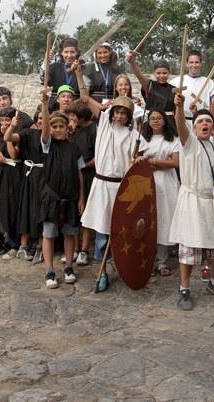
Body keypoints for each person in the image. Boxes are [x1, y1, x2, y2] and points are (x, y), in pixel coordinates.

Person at [169, 92, 214, 310]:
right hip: (192, 202)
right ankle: (184, 289)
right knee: (190, 248)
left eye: (209, 121)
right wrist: (179, 108)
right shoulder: (188, 143)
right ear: (195, 126)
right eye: (200, 121)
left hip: (213, 201)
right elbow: (181, 126)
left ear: (213, 126)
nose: (205, 124)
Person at [74, 63, 138, 284]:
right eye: (117, 112)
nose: (119, 116)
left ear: (129, 116)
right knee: (102, 230)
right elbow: (84, 97)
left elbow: (138, 161)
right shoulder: (103, 124)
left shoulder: (134, 134)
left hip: (121, 185)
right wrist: (78, 74)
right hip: (102, 184)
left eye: (123, 113)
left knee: (120, 230)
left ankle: (119, 265)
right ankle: (102, 272)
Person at [37, 89, 85, 288]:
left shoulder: (74, 149)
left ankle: (68, 267)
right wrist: (46, 105)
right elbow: (45, 128)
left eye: (61, 126)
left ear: (68, 129)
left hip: (71, 197)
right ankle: (49, 270)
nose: (57, 129)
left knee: (70, 233)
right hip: (51, 198)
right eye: (54, 126)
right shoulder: (47, 145)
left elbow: (80, 174)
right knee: (49, 233)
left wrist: (81, 198)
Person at [136, 109, 180, 276]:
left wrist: (154, 161)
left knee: (163, 219)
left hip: (166, 183)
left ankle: (162, 261)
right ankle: (147, 260)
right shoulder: (142, 139)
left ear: (164, 121)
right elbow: (136, 159)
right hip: (148, 181)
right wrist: (143, 161)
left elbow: (175, 162)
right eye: (152, 118)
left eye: (158, 118)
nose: (155, 121)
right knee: (147, 219)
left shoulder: (173, 140)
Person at [4, 108, 46, 261]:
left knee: (42, 211)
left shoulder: (51, 135)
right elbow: (8, 137)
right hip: (29, 176)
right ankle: (23, 246)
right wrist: (12, 126)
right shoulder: (28, 133)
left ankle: (41, 247)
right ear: (36, 120)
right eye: (39, 118)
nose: (41, 121)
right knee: (26, 209)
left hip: (44, 177)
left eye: (44, 118)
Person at [0, 107, 24, 259]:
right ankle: (0, 243)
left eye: (7, 121)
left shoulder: (18, 135)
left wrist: (7, 136)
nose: (4, 124)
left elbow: (14, 154)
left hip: (13, 174)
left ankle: (14, 244)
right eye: (1, 121)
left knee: (12, 207)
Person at [64, 101, 96, 266]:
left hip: (89, 173)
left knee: (86, 212)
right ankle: (74, 248)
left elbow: (98, 156)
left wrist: (83, 165)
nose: (71, 118)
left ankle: (84, 249)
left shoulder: (93, 129)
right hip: (73, 175)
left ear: (82, 117)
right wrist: (69, 133)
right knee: (73, 212)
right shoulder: (71, 130)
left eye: (73, 116)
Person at [169, 50, 214, 120]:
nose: (194, 65)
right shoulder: (176, 81)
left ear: (201, 63)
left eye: (197, 62)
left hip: (201, 121)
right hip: (181, 121)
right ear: (187, 64)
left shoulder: (209, 83)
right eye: (191, 62)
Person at [128, 55, 176, 125]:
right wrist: (132, 62)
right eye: (158, 73)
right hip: (151, 123)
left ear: (169, 72)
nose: (161, 76)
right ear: (154, 73)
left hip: (168, 124)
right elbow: (139, 75)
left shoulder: (174, 89)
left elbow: (177, 112)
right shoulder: (149, 85)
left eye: (164, 73)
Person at [43, 38, 82, 107]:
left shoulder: (83, 68)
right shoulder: (54, 67)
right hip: (55, 106)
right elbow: (43, 79)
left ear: (77, 53)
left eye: (72, 52)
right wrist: (46, 61)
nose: (69, 55)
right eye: (66, 52)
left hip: (76, 106)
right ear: (61, 53)